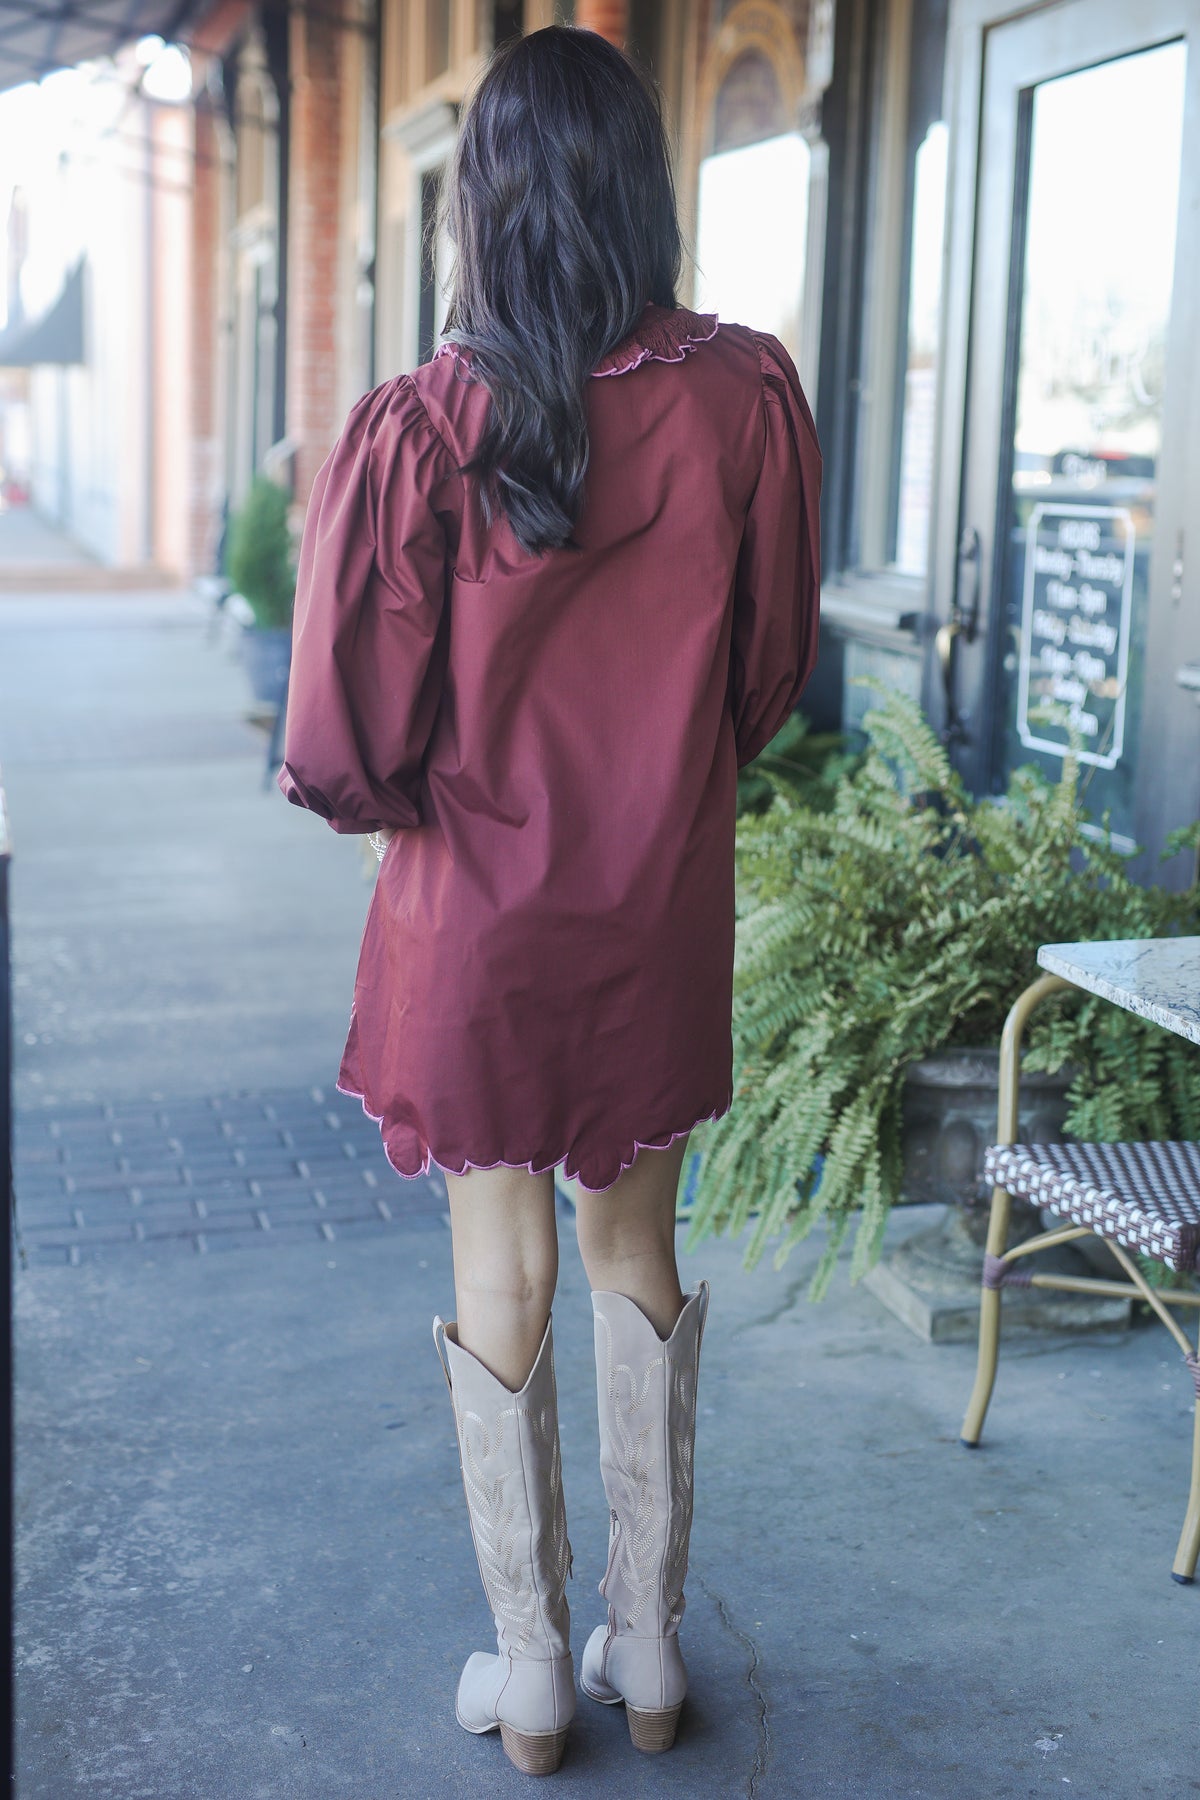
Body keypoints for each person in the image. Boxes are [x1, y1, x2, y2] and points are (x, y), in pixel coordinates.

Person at [276, 22, 821, 1777]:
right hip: (649, 904)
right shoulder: (745, 399)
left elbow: (346, 730)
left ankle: (527, 1676)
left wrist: (400, 812)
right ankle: (647, 1652)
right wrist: (661, 789)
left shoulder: (428, 422)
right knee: (636, 1248)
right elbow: (766, 674)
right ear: (638, 193)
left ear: (481, 204)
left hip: (471, 926)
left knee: (499, 1263)